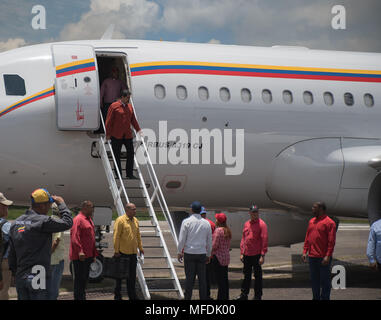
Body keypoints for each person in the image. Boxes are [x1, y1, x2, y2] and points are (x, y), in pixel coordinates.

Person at [8, 189, 73, 300]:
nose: (49, 208)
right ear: (42, 205)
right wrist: (61, 204)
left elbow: (12, 253)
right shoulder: (43, 221)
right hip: (38, 275)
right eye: (48, 204)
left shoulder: (16, 223)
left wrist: (14, 273)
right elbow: (67, 222)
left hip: (21, 276)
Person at [177, 201, 212, 300]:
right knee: (202, 280)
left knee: (190, 279)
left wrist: (180, 252)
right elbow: (209, 240)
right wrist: (208, 254)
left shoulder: (186, 222)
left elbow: (182, 239)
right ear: (201, 210)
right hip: (201, 253)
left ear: (192, 210)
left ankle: (188, 297)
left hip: (189, 253)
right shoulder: (206, 223)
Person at [302, 202, 336, 300]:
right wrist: (305, 251)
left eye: (314, 207)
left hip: (323, 257)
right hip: (312, 257)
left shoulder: (330, 223)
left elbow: (331, 241)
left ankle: (325, 298)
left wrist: (328, 255)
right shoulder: (311, 221)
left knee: (325, 281)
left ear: (321, 209)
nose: (312, 209)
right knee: (314, 281)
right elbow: (308, 237)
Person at [105, 89, 143, 179]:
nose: (128, 99)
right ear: (122, 97)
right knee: (116, 155)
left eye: (129, 98)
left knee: (131, 153)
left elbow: (133, 120)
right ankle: (119, 174)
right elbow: (108, 121)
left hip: (127, 135)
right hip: (116, 135)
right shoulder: (114, 106)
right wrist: (108, 134)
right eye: (127, 98)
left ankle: (129, 173)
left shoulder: (130, 107)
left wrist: (139, 130)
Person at [236, 204, 268, 300]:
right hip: (247, 254)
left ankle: (258, 296)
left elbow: (264, 240)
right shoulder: (247, 224)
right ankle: (244, 294)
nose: (255, 214)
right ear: (249, 213)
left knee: (258, 277)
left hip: (257, 254)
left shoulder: (262, 224)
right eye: (253, 212)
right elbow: (244, 238)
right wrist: (242, 252)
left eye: (256, 212)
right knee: (246, 276)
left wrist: (262, 255)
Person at [113, 202, 144, 300]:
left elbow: (138, 235)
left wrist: (141, 247)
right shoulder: (120, 220)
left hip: (133, 253)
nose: (135, 211)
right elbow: (116, 236)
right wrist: (116, 250)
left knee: (131, 276)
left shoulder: (135, 220)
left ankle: (132, 295)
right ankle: (117, 295)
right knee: (119, 276)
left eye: (135, 209)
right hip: (122, 253)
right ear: (127, 210)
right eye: (133, 209)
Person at [69, 200, 98, 300]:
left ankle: (82, 297)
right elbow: (75, 237)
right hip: (80, 257)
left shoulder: (88, 219)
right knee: (79, 281)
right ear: (85, 207)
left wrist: (94, 254)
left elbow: (91, 238)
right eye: (91, 207)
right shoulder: (78, 219)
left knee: (84, 281)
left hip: (88, 256)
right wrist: (80, 251)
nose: (93, 209)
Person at [47, 203, 66, 300]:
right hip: (56, 259)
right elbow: (56, 241)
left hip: (49, 260)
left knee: (48, 286)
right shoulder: (58, 222)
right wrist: (49, 253)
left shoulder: (49, 220)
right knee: (54, 289)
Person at [211, 212, 231, 300]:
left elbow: (214, 245)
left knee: (220, 281)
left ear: (218, 221)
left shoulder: (218, 230)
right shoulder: (227, 230)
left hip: (218, 258)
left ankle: (220, 298)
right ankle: (225, 297)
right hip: (226, 258)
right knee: (225, 280)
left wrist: (209, 253)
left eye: (216, 219)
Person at [200, 206, 215, 299]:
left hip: (200, 253)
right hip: (208, 253)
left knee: (200, 276)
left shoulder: (196, 223)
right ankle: (207, 295)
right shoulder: (211, 224)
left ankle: (203, 295)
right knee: (207, 276)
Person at [0, 192, 13, 299]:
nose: (7, 208)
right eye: (4, 206)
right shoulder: (6, 226)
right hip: (3, 261)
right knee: (3, 292)